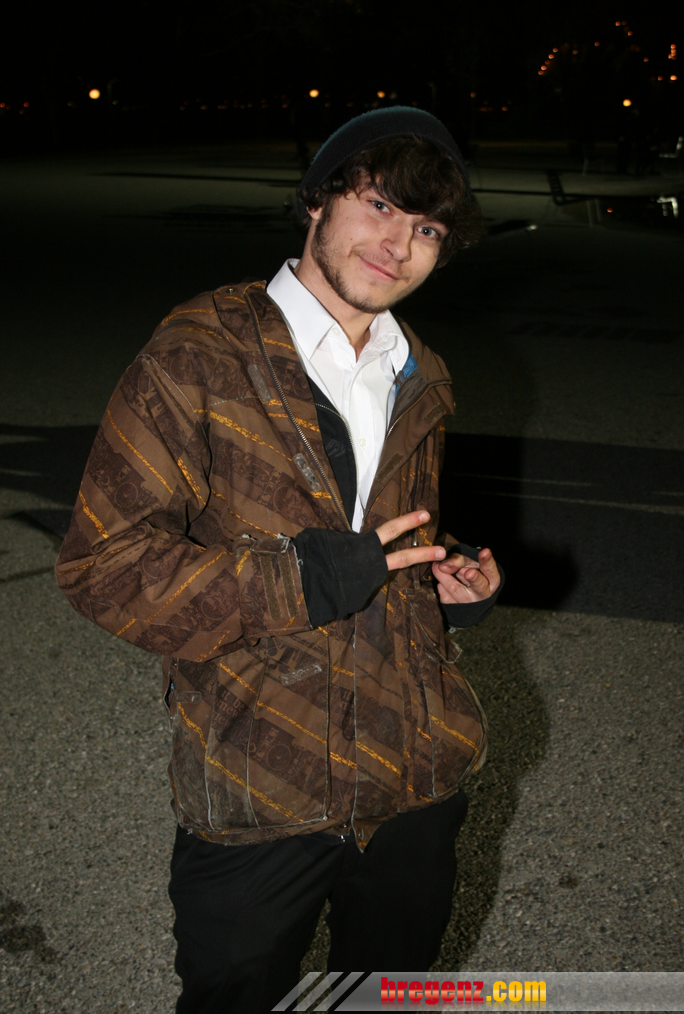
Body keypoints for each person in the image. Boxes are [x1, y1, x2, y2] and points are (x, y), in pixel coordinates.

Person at [55, 107, 503, 1013]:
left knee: (389, 995)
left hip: (410, 778)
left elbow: (375, 538)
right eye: (380, 205)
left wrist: (445, 579)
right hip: (261, 778)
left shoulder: (422, 372)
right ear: (318, 201)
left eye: (427, 230)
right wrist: (303, 577)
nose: (397, 246)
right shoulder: (199, 355)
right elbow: (103, 567)